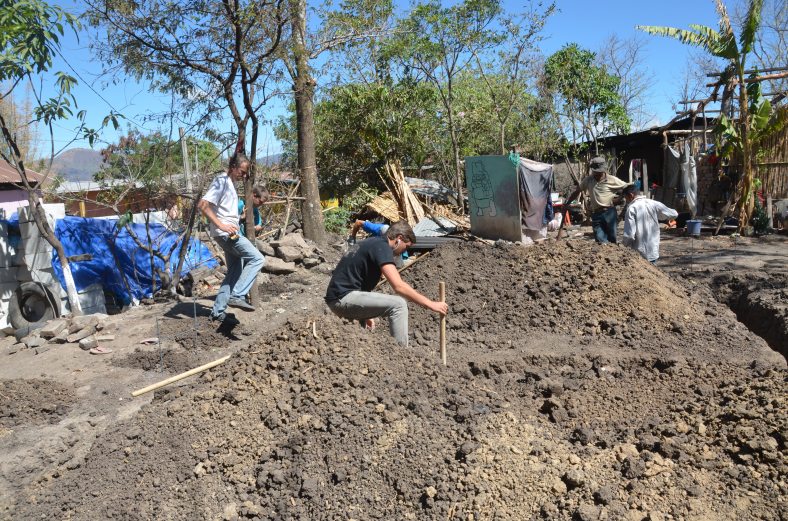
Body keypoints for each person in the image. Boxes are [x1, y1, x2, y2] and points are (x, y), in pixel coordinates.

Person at [325, 221, 448, 347]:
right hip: (342, 298)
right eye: (406, 247)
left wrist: (366, 313)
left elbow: (356, 278)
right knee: (399, 304)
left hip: (340, 296)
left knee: (359, 340)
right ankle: (401, 356)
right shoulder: (382, 247)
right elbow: (398, 286)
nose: (404, 252)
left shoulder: (372, 243)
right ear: (399, 239)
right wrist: (430, 304)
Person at [198, 153, 265, 324]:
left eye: (245, 173)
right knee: (257, 258)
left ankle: (217, 311)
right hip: (227, 234)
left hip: (229, 234)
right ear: (233, 167)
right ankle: (238, 295)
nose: (243, 176)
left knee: (234, 271)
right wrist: (221, 225)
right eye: (241, 172)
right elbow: (203, 205)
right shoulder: (221, 181)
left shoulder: (229, 183)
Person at [566, 156, 631, 244]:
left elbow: (627, 187)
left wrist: (620, 198)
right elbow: (577, 191)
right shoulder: (588, 180)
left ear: (604, 170)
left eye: (599, 172)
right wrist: (568, 203)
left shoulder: (612, 179)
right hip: (596, 213)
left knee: (612, 239)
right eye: (595, 172)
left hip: (609, 213)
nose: (597, 174)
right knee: (600, 240)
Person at [621, 185, 678, 265]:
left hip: (638, 253)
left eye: (625, 198)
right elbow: (673, 214)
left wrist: (623, 247)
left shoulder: (631, 208)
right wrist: (664, 218)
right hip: (653, 250)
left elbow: (629, 235)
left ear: (631, 195)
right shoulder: (653, 203)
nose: (626, 200)